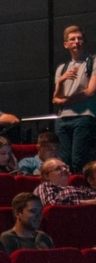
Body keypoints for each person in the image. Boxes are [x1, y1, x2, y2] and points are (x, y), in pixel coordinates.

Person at [53, 25, 96, 169]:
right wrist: (60, 81)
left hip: (84, 117)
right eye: (72, 39)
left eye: (80, 38)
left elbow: (90, 91)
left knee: (79, 160)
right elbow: (55, 99)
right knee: (64, 161)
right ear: (66, 44)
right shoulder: (62, 68)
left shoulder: (92, 62)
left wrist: (66, 101)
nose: (76, 41)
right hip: (63, 119)